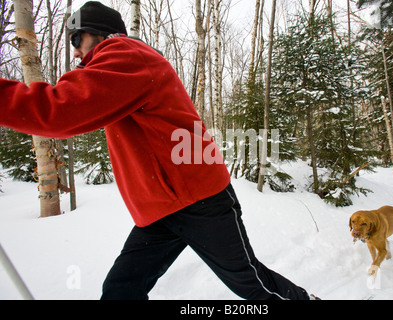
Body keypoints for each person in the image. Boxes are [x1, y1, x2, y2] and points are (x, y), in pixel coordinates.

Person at [1, 1, 315, 300]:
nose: (74, 49)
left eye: (76, 38)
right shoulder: (117, 63)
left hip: (198, 199)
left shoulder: (124, 55)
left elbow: (58, 111)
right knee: (122, 288)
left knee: (250, 283)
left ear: (96, 31)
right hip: (162, 207)